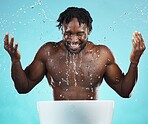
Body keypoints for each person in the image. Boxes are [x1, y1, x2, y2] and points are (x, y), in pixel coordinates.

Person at [4, 7, 145, 100]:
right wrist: (15, 61)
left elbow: (124, 91)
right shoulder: (48, 52)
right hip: (58, 119)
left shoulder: (102, 55)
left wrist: (134, 62)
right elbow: (23, 87)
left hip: (91, 119)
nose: (74, 39)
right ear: (62, 30)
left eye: (80, 34)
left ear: (89, 31)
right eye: (68, 33)